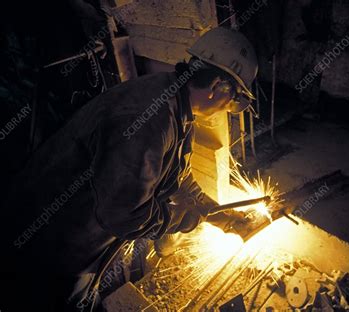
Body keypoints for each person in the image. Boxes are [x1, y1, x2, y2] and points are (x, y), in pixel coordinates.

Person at [0, 27, 258, 311]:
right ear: (217, 87)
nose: (227, 109)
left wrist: (215, 213)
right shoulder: (148, 121)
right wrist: (184, 220)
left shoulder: (176, 102)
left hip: (80, 234)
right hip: (53, 241)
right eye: (233, 100)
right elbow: (125, 215)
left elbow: (178, 176)